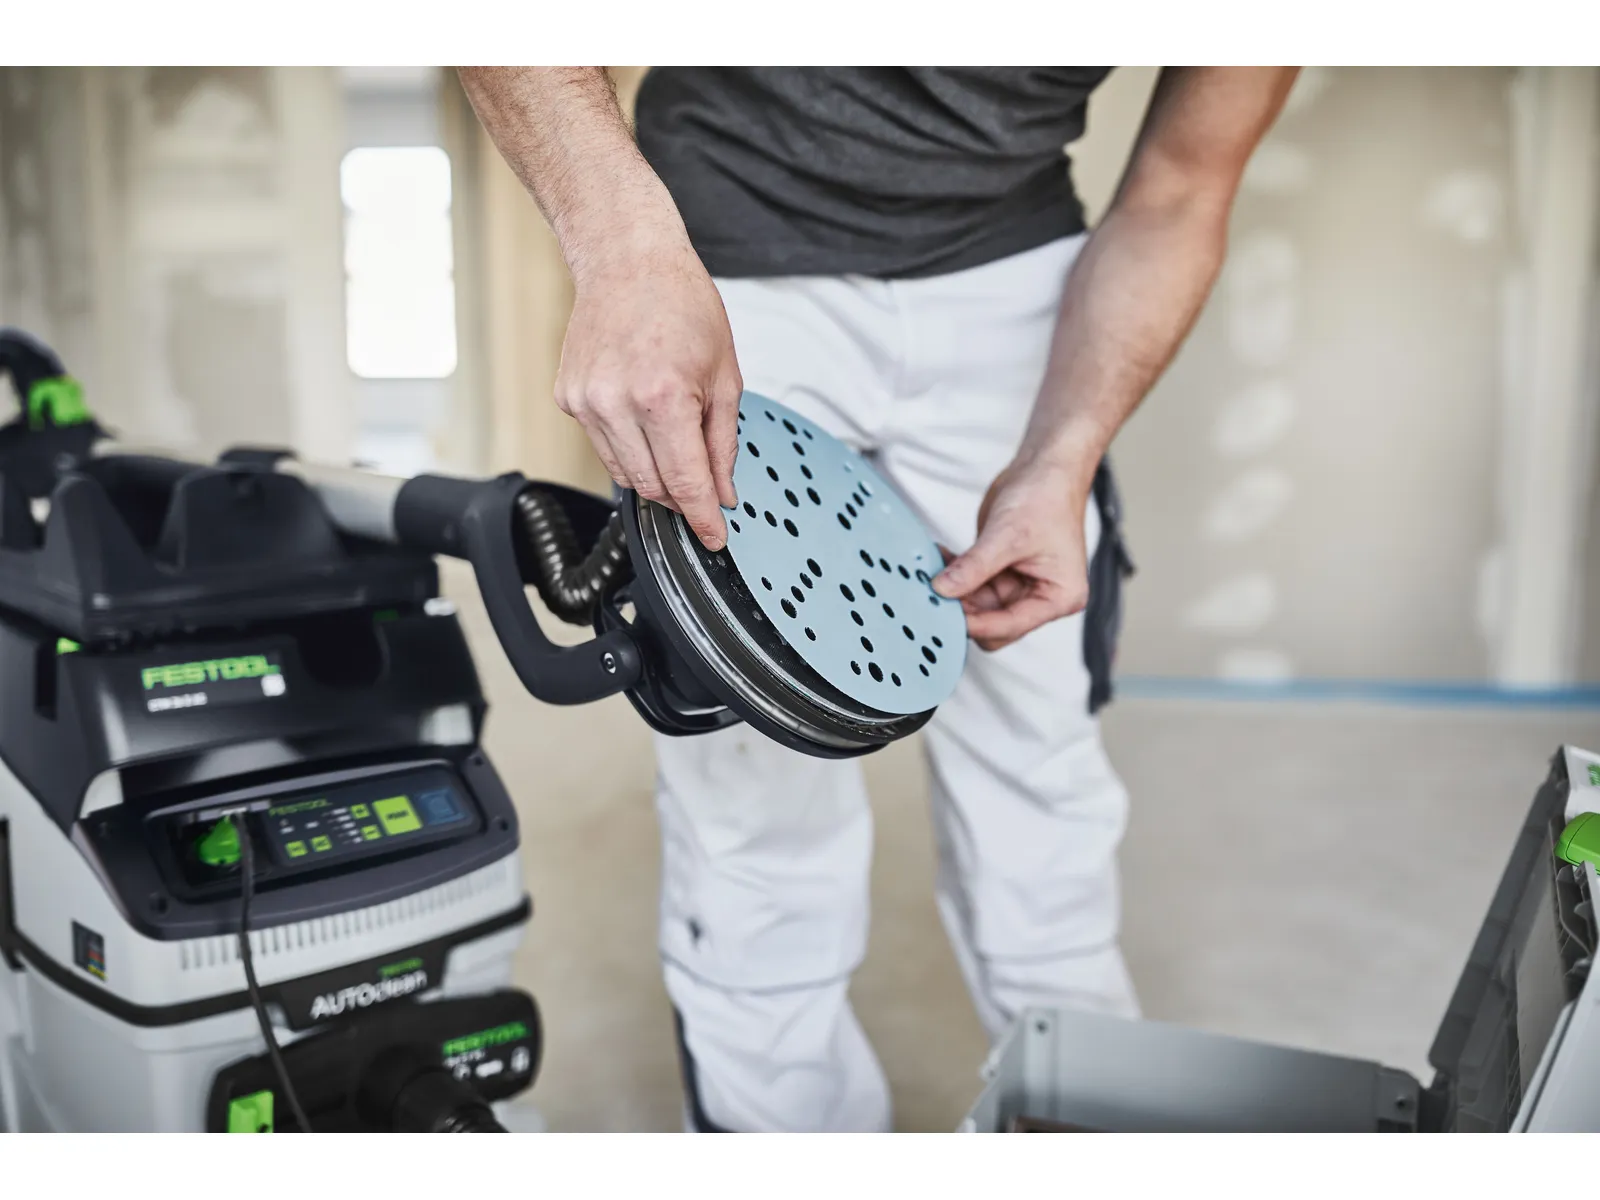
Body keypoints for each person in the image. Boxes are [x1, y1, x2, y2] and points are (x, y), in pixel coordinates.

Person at [458, 65, 1299, 1132]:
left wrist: (1063, 454)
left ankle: (1093, 1125)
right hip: (723, 246)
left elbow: (1182, 185)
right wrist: (623, 254)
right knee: (753, 795)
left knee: (1042, 781)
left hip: (1013, 268)